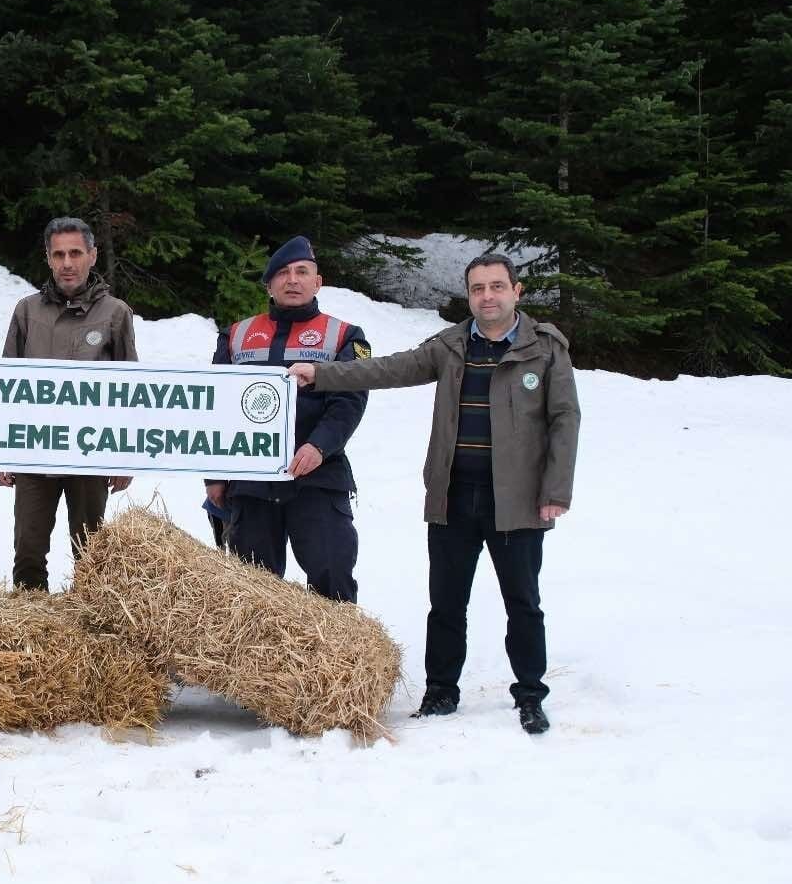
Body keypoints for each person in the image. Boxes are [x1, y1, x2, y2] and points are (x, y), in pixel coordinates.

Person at [291, 253, 580, 734]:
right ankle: (442, 691)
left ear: (516, 291)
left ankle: (530, 693)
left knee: (522, 602)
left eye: (496, 287)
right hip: (452, 496)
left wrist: (556, 491)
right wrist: (321, 374)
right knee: (446, 602)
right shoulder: (450, 346)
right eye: (477, 289)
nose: (487, 296)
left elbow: (564, 421)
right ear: (469, 295)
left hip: (518, 501)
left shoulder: (545, 349)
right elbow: (387, 370)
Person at [204, 236, 370, 602]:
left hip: (317, 476)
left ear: (317, 282)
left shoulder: (345, 336)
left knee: (332, 576)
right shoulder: (235, 336)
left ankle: (337, 659)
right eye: (282, 273)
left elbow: (349, 401)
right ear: (269, 284)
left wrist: (319, 446)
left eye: (301, 272)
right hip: (251, 482)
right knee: (252, 592)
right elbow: (217, 405)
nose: (292, 280)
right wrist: (214, 475)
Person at [0, 217, 138, 591]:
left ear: (93, 255)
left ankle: (89, 625)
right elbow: (6, 387)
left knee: (90, 550)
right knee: (27, 548)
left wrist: (124, 455)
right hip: (34, 451)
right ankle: (29, 622)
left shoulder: (116, 313)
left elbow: (133, 391)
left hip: (90, 454)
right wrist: (0, 451)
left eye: (76, 253)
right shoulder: (26, 311)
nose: (67, 263)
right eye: (58, 254)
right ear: (48, 258)